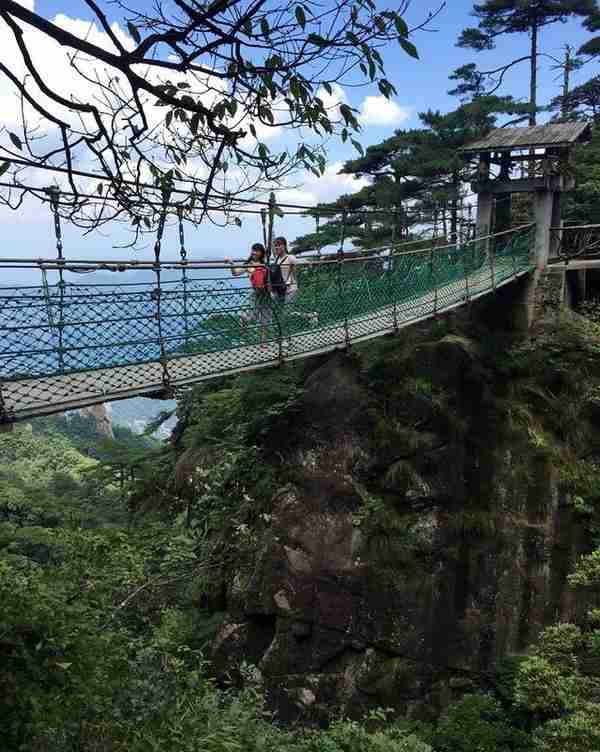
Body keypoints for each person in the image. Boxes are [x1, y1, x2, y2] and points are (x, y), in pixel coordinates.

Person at [270, 237, 318, 343]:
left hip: (291, 289)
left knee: (285, 314)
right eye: (276, 245)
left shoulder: (289, 257)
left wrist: (309, 262)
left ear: (284, 246)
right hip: (280, 290)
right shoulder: (276, 259)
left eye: (279, 245)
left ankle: (285, 338)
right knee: (278, 314)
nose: (277, 247)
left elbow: (298, 262)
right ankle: (309, 316)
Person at [225, 243, 271, 347]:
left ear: (261, 252)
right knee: (252, 316)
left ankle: (264, 341)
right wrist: (231, 264)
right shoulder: (249, 264)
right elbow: (236, 273)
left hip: (266, 293)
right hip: (254, 293)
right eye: (253, 250)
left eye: (256, 250)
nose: (254, 252)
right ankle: (243, 319)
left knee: (265, 318)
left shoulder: (266, 263)